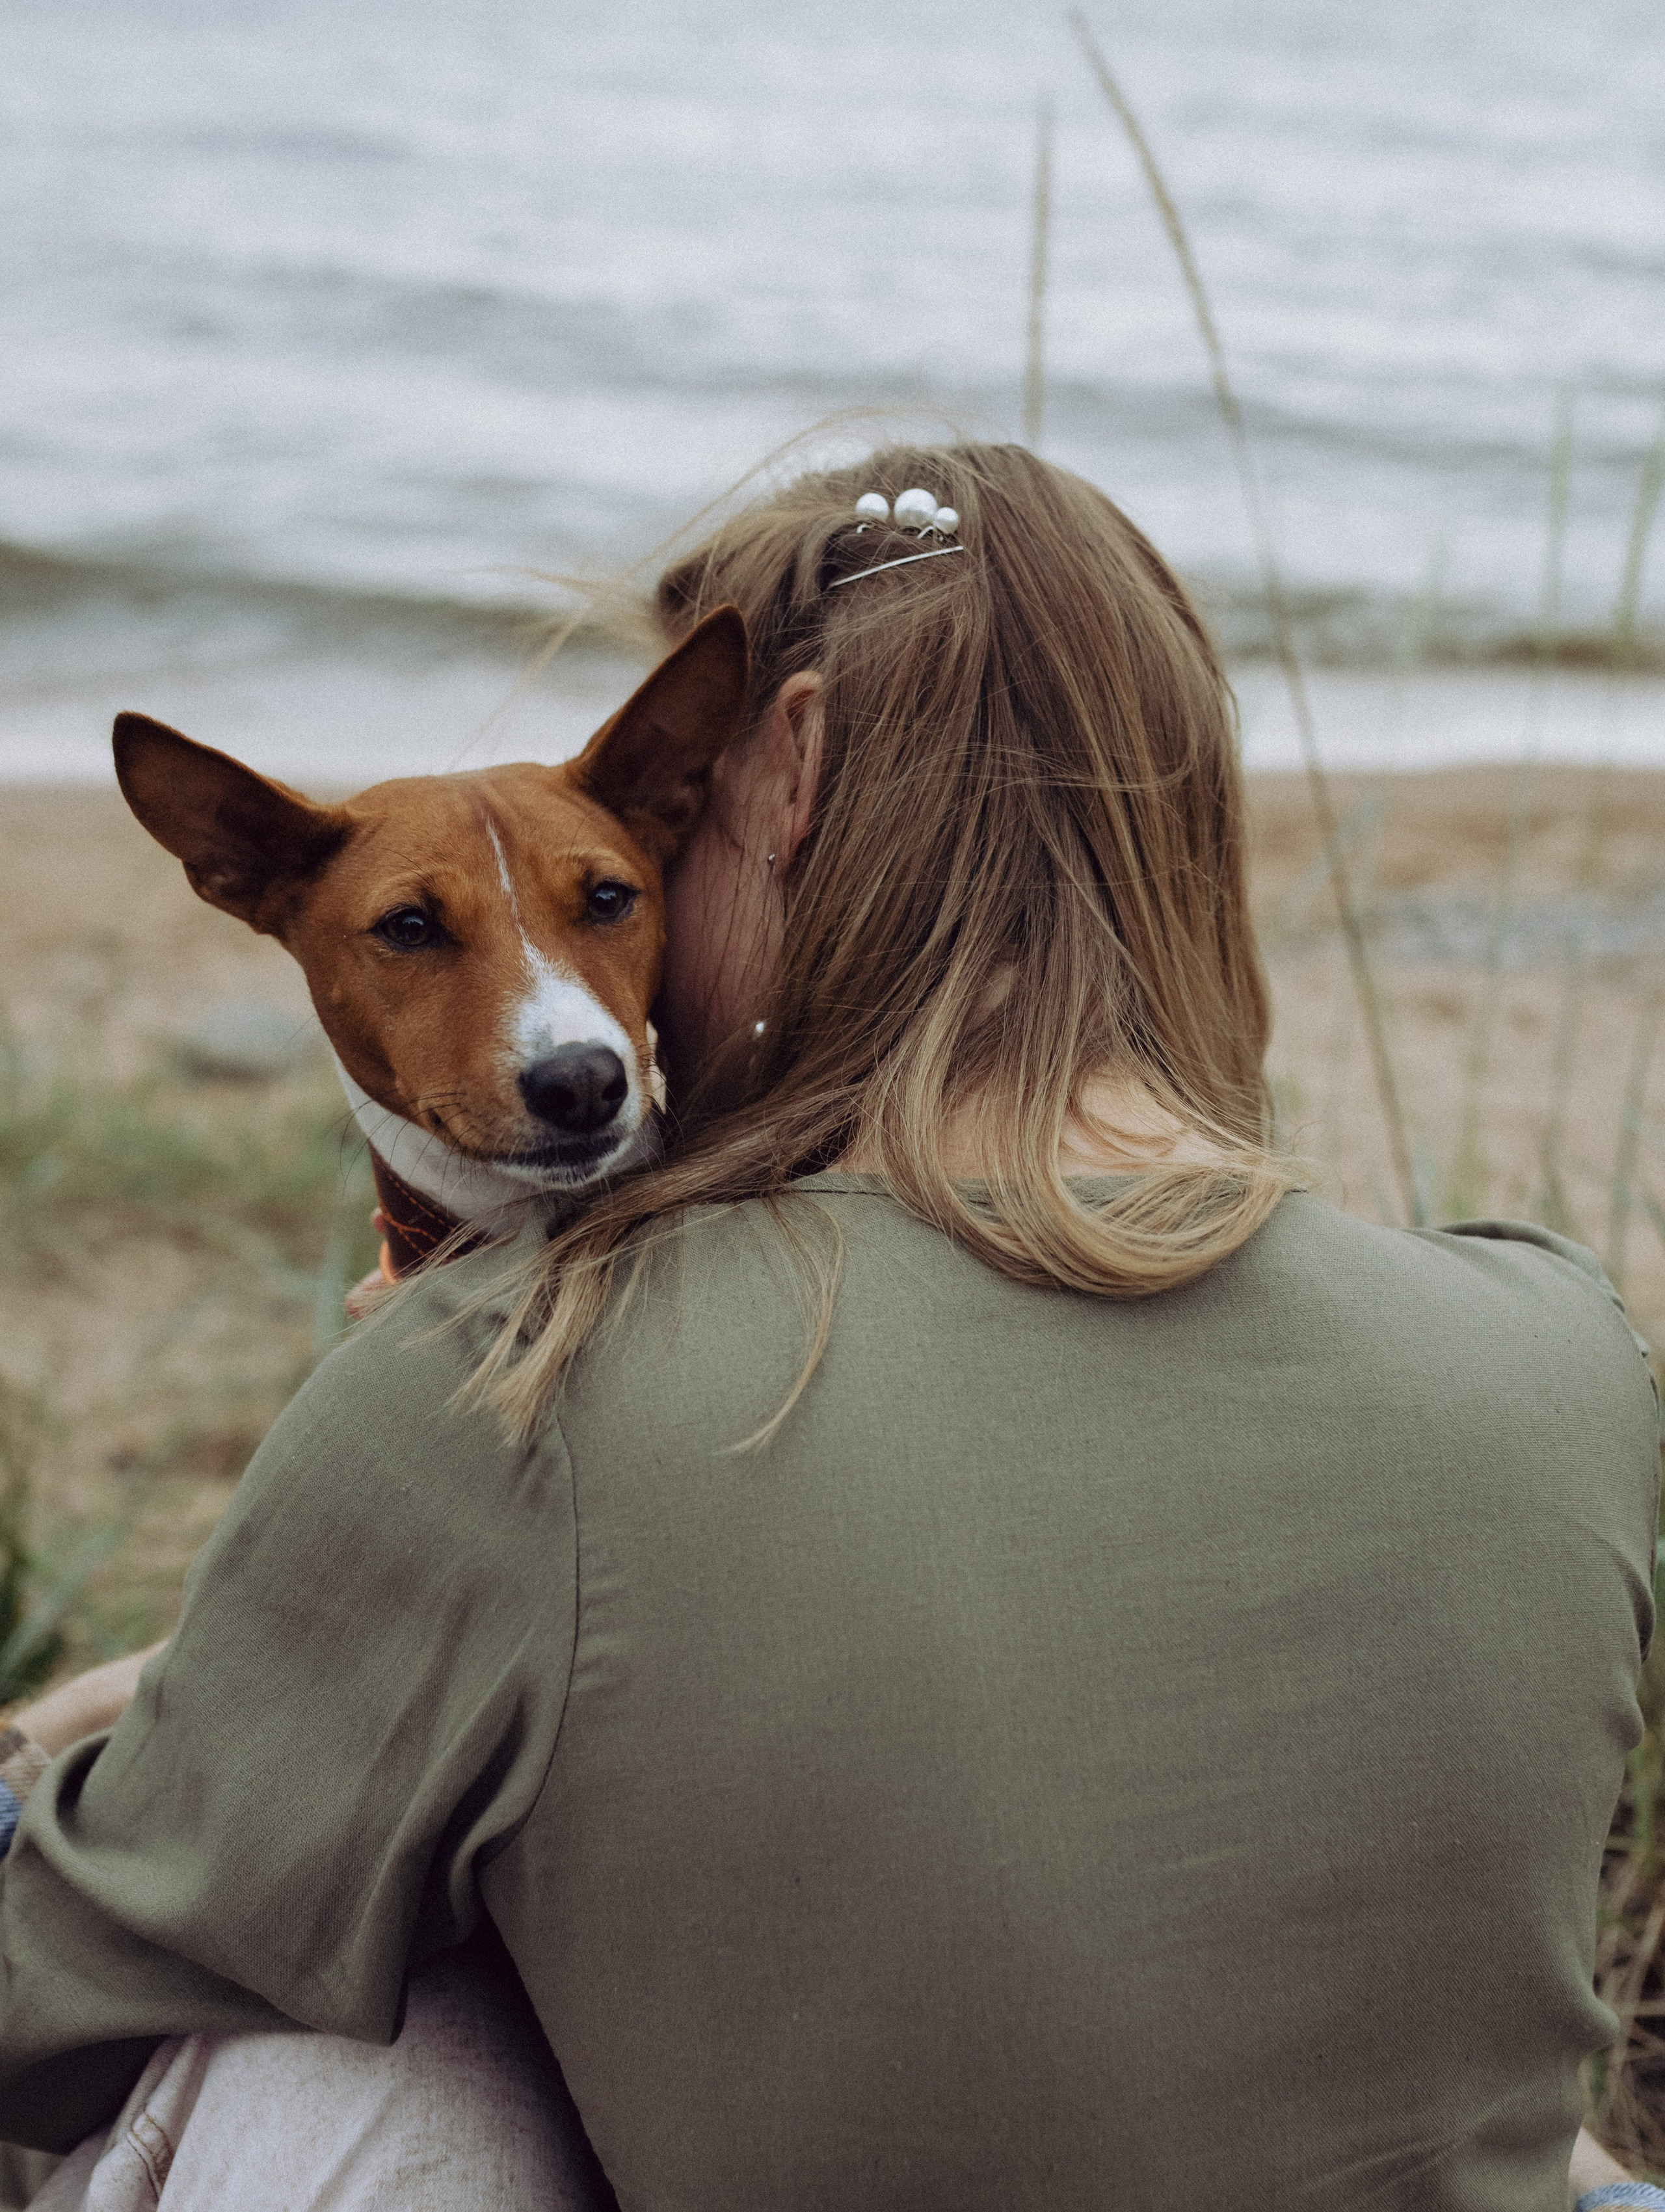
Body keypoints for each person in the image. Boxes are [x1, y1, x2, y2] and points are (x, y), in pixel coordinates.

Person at [0, 443, 1657, 2212]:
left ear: (780, 773)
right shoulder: (1568, 1341)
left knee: (350, 2038)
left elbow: (50, 1981)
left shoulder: (507, 1397)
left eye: (667, 822)